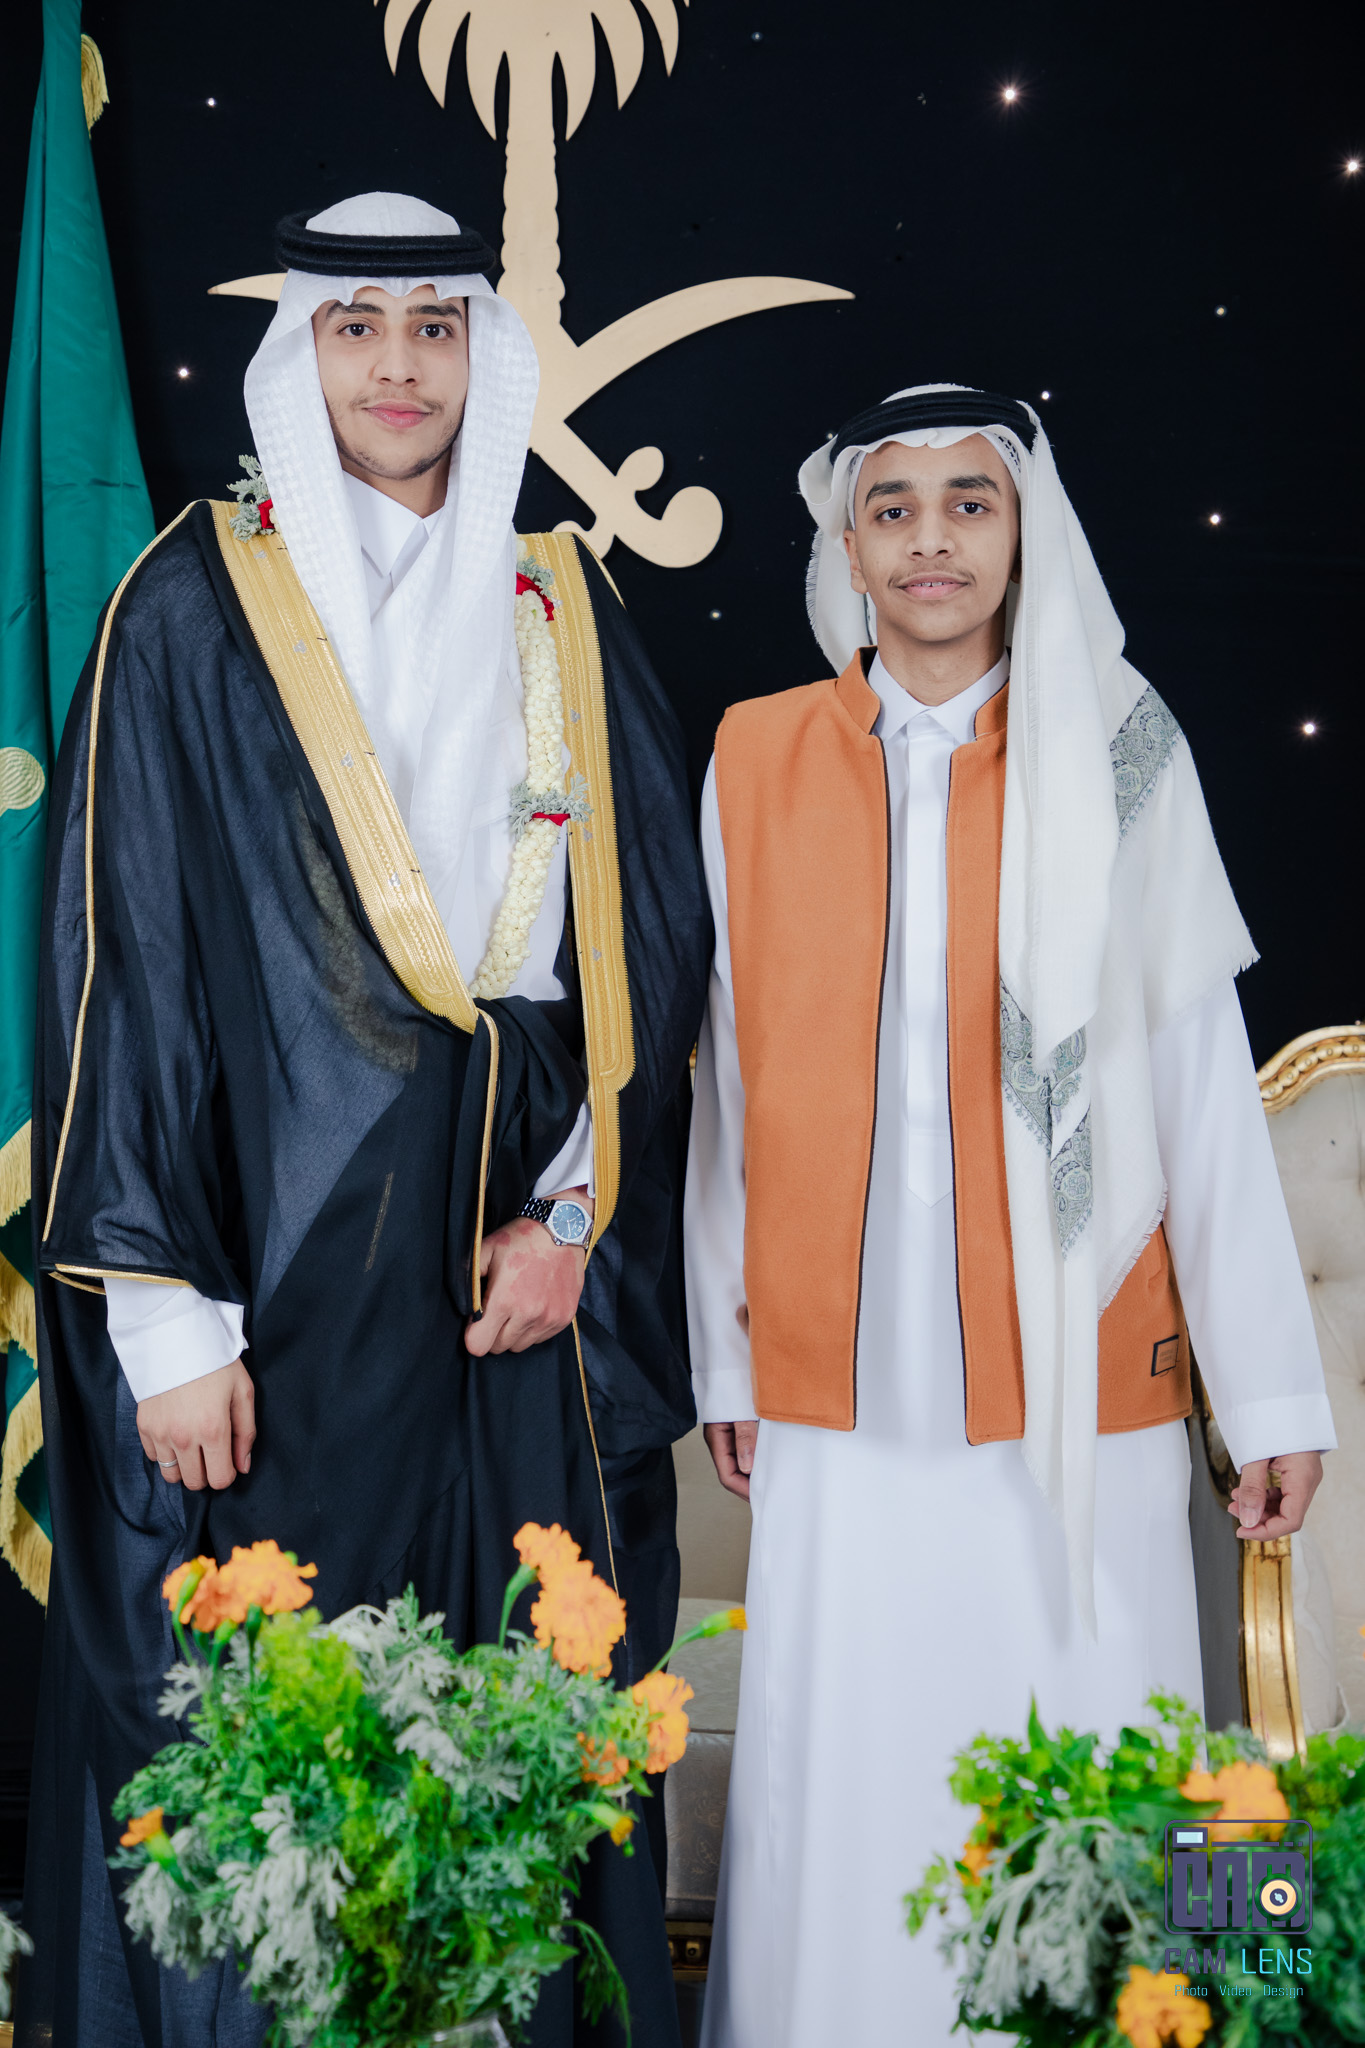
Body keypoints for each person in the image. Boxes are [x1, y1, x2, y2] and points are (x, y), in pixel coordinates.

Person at [19, 192, 708, 2048]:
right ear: (298, 352)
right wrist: (165, 1325)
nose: (398, 365)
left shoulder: (560, 598)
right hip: (268, 1284)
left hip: (508, 1291)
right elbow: (126, 959)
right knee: (274, 1742)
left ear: (483, 347)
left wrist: (575, 1225)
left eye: (433, 323)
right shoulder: (190, 602)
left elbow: (647, 940)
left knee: (515, 1715)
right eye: (355, 326)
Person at [684, 384, 1337, 2047]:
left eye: (968, 502)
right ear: (847, 545)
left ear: (1024, 532)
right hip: (837, 1369)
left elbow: (1197, 1077)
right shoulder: (756, 754)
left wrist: (1266, 1391)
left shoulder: (1121, 746)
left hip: (1074, 1362)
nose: (931, 540)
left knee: (1105, 1728)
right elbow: (728, 1080)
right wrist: (727, 1357)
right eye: (893, 507)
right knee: (850, 1754)